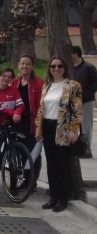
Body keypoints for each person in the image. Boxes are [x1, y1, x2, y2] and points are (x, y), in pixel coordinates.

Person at [36, 55, 82, 212]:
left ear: (65, 68)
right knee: (51, 164)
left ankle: (63, 199)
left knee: (63, 164)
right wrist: (38, 128)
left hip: (63, 127)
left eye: (59, 66)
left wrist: (73, 129)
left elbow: (77, 110)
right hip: (47, 126)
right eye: (53, 66)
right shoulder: (46, 86)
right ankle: (53, 197)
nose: (56, 69)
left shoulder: (73, 86)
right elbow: (41, 109)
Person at [10, 54, 45, 192]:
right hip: (17, 122)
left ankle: (31, 182)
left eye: (28, 64)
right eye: (22, 64)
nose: (25, 66)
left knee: (33, 154)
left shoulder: (39, 83)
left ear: (32, 66)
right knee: (19, 153)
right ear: (18, 65)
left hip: (32, 123)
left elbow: (42, 105)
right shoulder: (14, 81)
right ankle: (25, 179)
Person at [0, 67, 24, 194]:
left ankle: (13, 184)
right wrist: (12, 112)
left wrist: (17, 113)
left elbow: (20, 105)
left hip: (10, 126)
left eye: (9, 77)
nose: (6, 79)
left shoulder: (14, 91)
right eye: (4, 76)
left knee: (13, 155)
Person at [72, 46, 97, 157]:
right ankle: (79, 148)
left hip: (87, 101)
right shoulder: (72, 68)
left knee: (86, 126)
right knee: (76, 126)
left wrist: (87, 94)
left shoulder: (88, 67)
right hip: (75, 102)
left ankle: (86, 149)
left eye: (71, 54)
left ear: (76, 54)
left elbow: (95, 82)